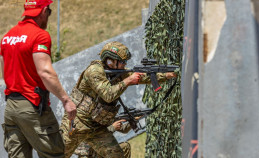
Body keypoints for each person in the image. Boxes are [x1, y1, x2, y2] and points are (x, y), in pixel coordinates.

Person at [60, 41, 176, 158]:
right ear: (111, 61)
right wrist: (128, 81)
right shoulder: (94, 71)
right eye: (122, 62)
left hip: (96, 127)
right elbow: (108, 94)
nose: (124, 65)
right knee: (58, 155)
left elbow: (143, 77)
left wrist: (167, 75)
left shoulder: (117, 72)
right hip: (77, 123)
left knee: (117, 155)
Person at [0, 0, 76, 157]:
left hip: (11, 108)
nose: (48, 16)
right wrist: (66, 100)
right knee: (54, 154)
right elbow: (45, 72)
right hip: (32, 106)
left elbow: (5, 71)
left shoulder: (7, 37)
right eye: (49, 12)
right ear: (44, 10)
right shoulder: (40, 36)